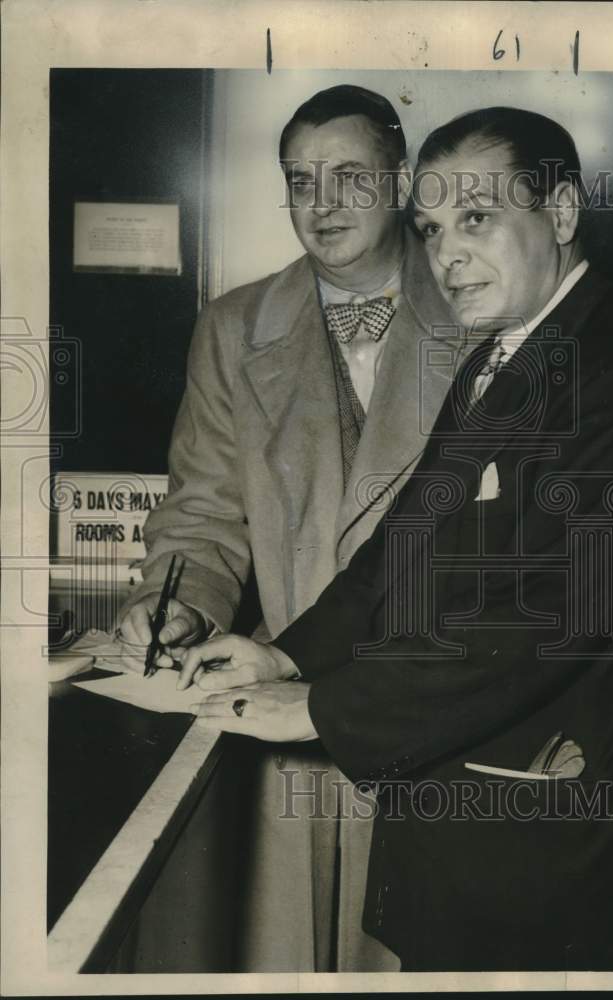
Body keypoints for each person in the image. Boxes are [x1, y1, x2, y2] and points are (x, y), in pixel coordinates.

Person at [180, 108, 613, 971]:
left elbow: (549, 607)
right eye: (432, 228)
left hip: (560, 844)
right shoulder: (502, 356)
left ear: (559, 212)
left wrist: (325, 710)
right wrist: (287, 658)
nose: (447, 255)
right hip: (476, 831)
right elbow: (403, 549)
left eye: (476, 219)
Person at [117, 85, 464, 972]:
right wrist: (178, 603)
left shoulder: (478, 309)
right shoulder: (235, 327)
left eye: (351, 176)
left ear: (399, 184)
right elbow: (202, 512)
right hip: (281, 718)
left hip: (442, 714)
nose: (323, 204)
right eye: (301, 180)